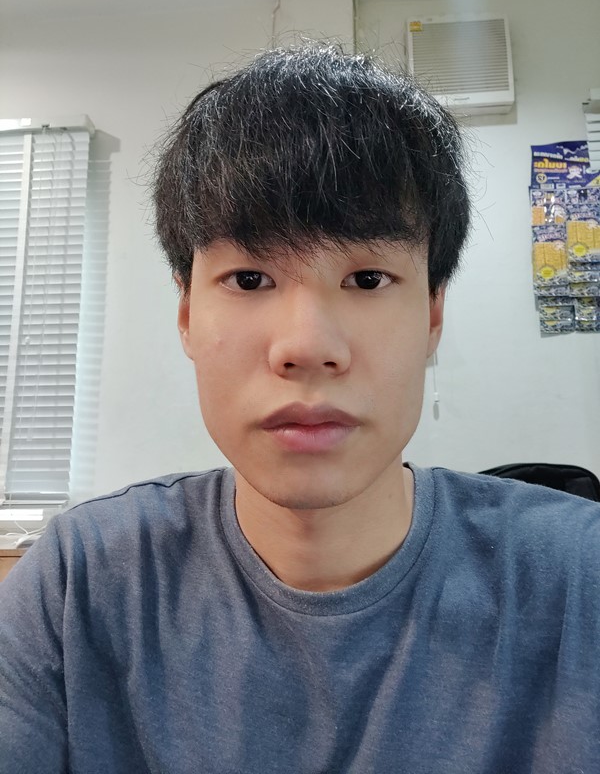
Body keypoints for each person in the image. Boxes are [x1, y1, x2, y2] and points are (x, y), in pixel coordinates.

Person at [0, 44, 599, 774]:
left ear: (433, 317)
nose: (307, 346)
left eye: (368, 278)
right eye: (250, 279)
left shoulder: (580, 578)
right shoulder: (79, 585)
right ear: (186, 315)